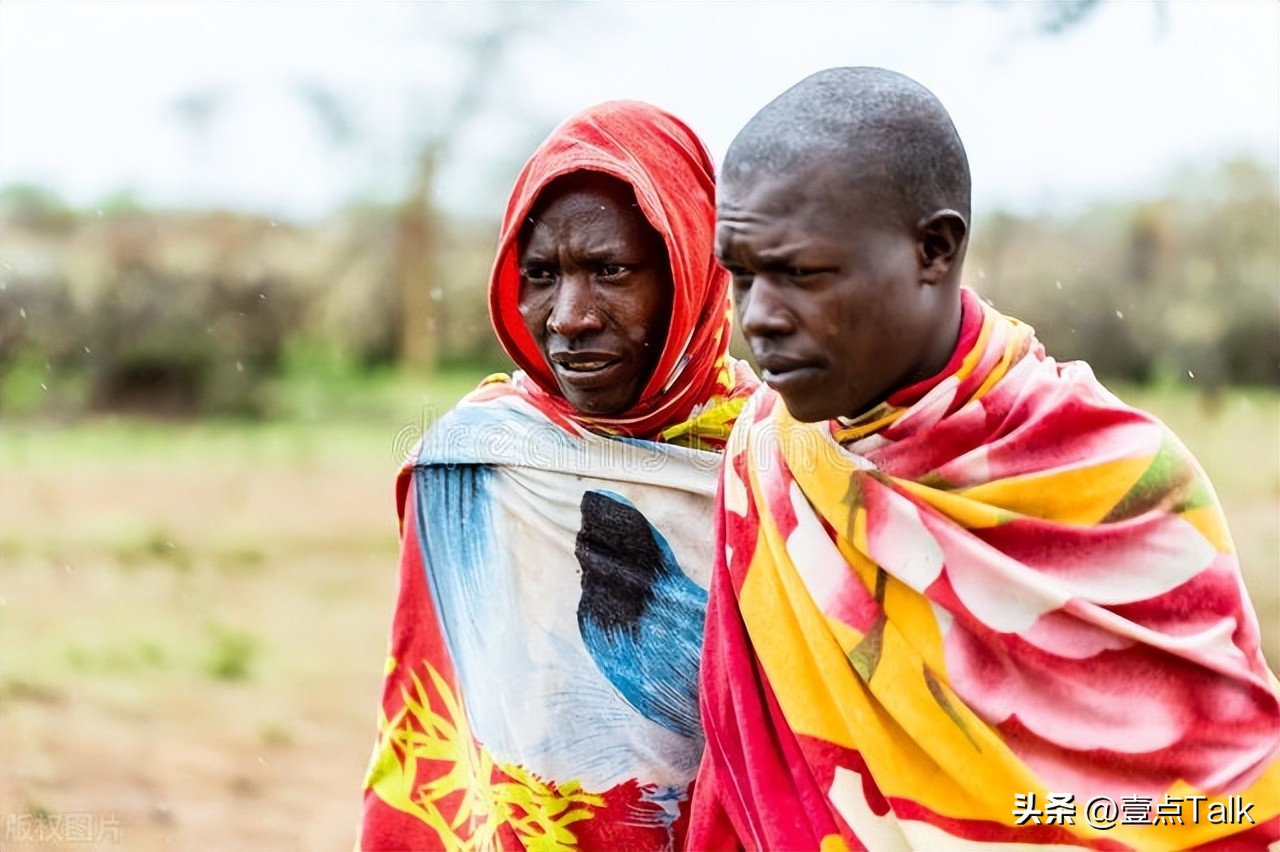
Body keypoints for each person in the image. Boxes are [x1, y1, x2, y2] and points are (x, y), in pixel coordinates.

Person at [691, 67, 1279, 850]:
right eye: (741, 277)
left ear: (934, 249)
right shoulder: (767, 461)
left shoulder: (1118, 480)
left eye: (801, 274)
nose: (758, 319)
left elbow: (1221, 808)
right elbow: (741, 778)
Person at [358, 100, 756, 851]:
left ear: (692, 270)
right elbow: (432, 736)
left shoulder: (783, 464)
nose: (569, 316)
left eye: (610, 271)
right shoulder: (475, 465)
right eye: (541, 275)